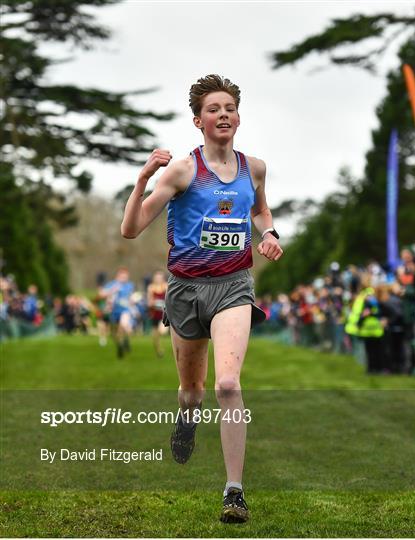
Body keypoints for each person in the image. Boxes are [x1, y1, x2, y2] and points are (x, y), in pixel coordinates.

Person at [121, 74, 283, 523]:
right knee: (191, 392)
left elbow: (260, 208)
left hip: (234, 284)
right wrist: (142, 181)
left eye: (229, 107)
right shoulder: (183, 171)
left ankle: (234, 492)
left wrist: (268, 233)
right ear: (199, 121)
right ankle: (187, 420)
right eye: (214, 109)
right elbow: (131, 229)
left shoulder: (255, 168)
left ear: (238, 117)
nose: (223, 114)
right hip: (187, 288)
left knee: (227, 384)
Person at [100, 267, 135, 358]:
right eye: (122, 276)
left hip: (124, 310)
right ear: (118, 276)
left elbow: (130, 296)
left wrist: (132, 301)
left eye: (126, 277)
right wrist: (112, 291)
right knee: (114, 333)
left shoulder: (129, 285)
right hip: (114, 311)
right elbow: (102, 294)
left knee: (124, 325)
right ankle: (120, 345)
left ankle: (126, 341)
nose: (124, 278)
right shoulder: (112, 284)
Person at [147, 270, 168, 358]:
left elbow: (170, 300)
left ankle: (160, 350)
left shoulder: (166, 286)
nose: (158, 279)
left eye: (160, 277)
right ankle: (159, 351)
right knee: (155, 337)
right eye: (157, 278)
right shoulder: (151, 287)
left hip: (164, 314)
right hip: (154, 314)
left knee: (161, 331)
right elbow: (149, 302)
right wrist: (153, 303)